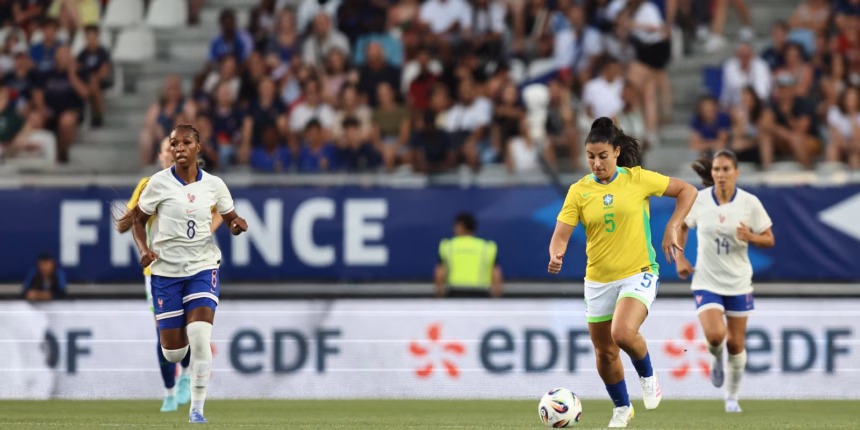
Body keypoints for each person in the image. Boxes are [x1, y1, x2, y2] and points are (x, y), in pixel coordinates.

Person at [547, 117, 697, 427]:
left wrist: (672, 226)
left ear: (616, 152)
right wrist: (556, 254)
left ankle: (648, 376)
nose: (596, 163)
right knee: (605, 352)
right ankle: (622, 407)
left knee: (623, 333)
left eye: (603, 156)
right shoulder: (579, 191)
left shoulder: (637, 179)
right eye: (590, 156)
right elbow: (560, 235)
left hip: (638, 272)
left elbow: (688, 190)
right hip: (598, 280)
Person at [117, 124, 248, 424]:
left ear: (198, 148)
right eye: (174, 144)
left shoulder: (214, 185)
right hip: (165, 272)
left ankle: (196, 410)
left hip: (203, 267)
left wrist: (236, 225)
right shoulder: (156, 184)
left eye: (185, 142)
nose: (178, 148)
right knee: (173, 353)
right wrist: (143, 249)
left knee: (200, 337)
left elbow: (229, 217)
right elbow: (136, 221)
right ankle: (180, 360)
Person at [677, 150, 774, 413]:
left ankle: (731, 398)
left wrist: (751, 237)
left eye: (726, 169)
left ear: (736, 173)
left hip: (738, 282)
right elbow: (682, 226)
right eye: (717, 169)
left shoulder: (749, 202)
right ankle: (715, 357)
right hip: (706, 280)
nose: (720, 174)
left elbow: (769, 238)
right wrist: (680, 258)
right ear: (712, 173)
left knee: (736, 344)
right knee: (716, 336)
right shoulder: (699, 200)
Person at [435, 212, 502, 298]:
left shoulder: (448, 246)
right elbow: (496, 275)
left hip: (455, 293)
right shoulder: (487, 247)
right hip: (481, 294)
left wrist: (439, 295)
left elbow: (440, 274)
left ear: (460, 226)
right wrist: (496, 297)